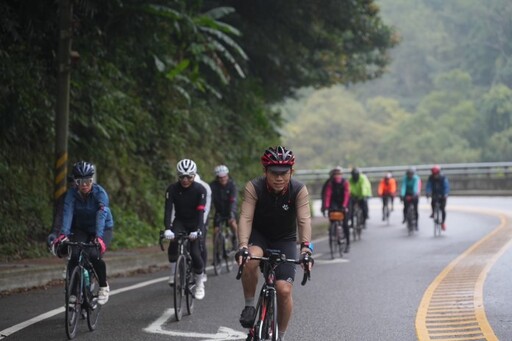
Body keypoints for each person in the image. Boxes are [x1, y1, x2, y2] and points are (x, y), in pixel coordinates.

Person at [236, 146, 314, 341]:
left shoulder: (298, 190)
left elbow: (304, 220)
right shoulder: (254, 187)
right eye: (274, 173)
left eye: (284, 173)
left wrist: (305, 248)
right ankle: (249, 305)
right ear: (265, 172)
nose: (279, 178)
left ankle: (280, 336)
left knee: (283, 289)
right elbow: (245, 217)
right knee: (251, 260)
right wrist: (243, 245)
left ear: (291, 172)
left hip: (285, 239)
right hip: (259, 235)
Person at [51, 161, 114, 305]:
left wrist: (99, 237)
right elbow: (67, 212)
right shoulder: (71, 194)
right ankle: (73, 293)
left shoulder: (100, 193)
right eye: (80, 181)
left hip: (102, 228)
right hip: (81, 228)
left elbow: (101, 214)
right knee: (74, 254)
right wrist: (63, 234)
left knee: (94, 255)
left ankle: (103, 286)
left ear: (92, 180)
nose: (84, 184)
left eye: (88, 181)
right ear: (75, 182)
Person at [163, 159, 207, 300]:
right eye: (182, 176)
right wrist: (167, 229)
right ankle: (173, 272)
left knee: (195, 253)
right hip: (180, 221)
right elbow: (168, 210)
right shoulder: (172, 189)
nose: (185, 180)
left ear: (194, 176)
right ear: (178, 176)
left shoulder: (200, 190)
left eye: (189, 176)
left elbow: (201, 213)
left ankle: (200, 284)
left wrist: (198, 230)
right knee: (173, 241)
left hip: (195, 223)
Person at [321, 166, 351, 252]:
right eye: (336, 174)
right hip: (334, 202)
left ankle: (348, 243)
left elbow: (346, 195)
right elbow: (328, 195)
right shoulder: (330, 183)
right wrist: (326, 207)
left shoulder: (345, 183)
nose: (337, 176)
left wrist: (344, 206)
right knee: (332, 217)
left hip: (344, 202)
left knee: (345, 224)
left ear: (341, 175)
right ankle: (333, 232)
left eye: (339, 174)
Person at [209, 165, 238, 251]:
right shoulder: (213, 186)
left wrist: (232, 214)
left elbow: (233, 201)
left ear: (227, 176)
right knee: (216, 231)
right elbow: (210, 200)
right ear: (217, 178)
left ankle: (235, 239)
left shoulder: (232, 185)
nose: (223, 179)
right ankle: (216, 252)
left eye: (224, 177)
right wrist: (208, 212)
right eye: (220, 177)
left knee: (232, 223)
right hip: (219, 211)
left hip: (230, 210)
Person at [193, 173, 212, 280]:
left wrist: (201, 224)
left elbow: (206, 208)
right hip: (188, 216)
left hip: (202, 215)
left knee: (201, 241)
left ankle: (203, 270)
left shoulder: (205, 188)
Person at [426, 165, 450, 231]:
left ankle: (443, 223)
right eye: (434, 174)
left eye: (436, 173)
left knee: (442, 208)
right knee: (433, 202)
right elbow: (429, 186)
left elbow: (446, 186)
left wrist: (445, 194)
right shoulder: (431, 178)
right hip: (435, 194)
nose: (435, 175)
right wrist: (428, 192)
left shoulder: (443, 178)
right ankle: (433, 212)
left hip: (442, 194)